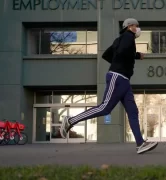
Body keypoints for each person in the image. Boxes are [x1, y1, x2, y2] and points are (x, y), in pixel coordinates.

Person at [59, 18, 158, 154]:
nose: (138, 28)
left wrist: (126, 58)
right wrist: (126, 61)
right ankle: (70, 120)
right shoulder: (128, 36)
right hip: (117, 77)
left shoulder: (120, 39)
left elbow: (107, 55)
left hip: (124, 81)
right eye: (136, 26)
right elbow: (123, 52)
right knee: (105, 108)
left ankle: (140, 144)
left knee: (133, 112)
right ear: (130, 27)